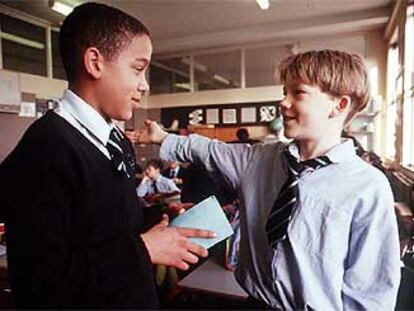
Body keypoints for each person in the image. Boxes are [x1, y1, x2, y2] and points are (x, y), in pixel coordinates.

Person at [138, 50, 401, 310]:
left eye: (298, 92)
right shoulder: (258, 160)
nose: (283, 102)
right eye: (284, 92)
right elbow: (208, 150)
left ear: (339, 105)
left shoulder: (368, 186)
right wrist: (163, 138)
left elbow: (372, 290)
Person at [0, 3, 214, 309]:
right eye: (138, 69)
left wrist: (159, 219)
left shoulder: (115, 140)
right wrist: (143, 249)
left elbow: (104, 224)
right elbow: (39, 282)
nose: (145, 84)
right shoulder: (45, 151)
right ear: (94, 62)